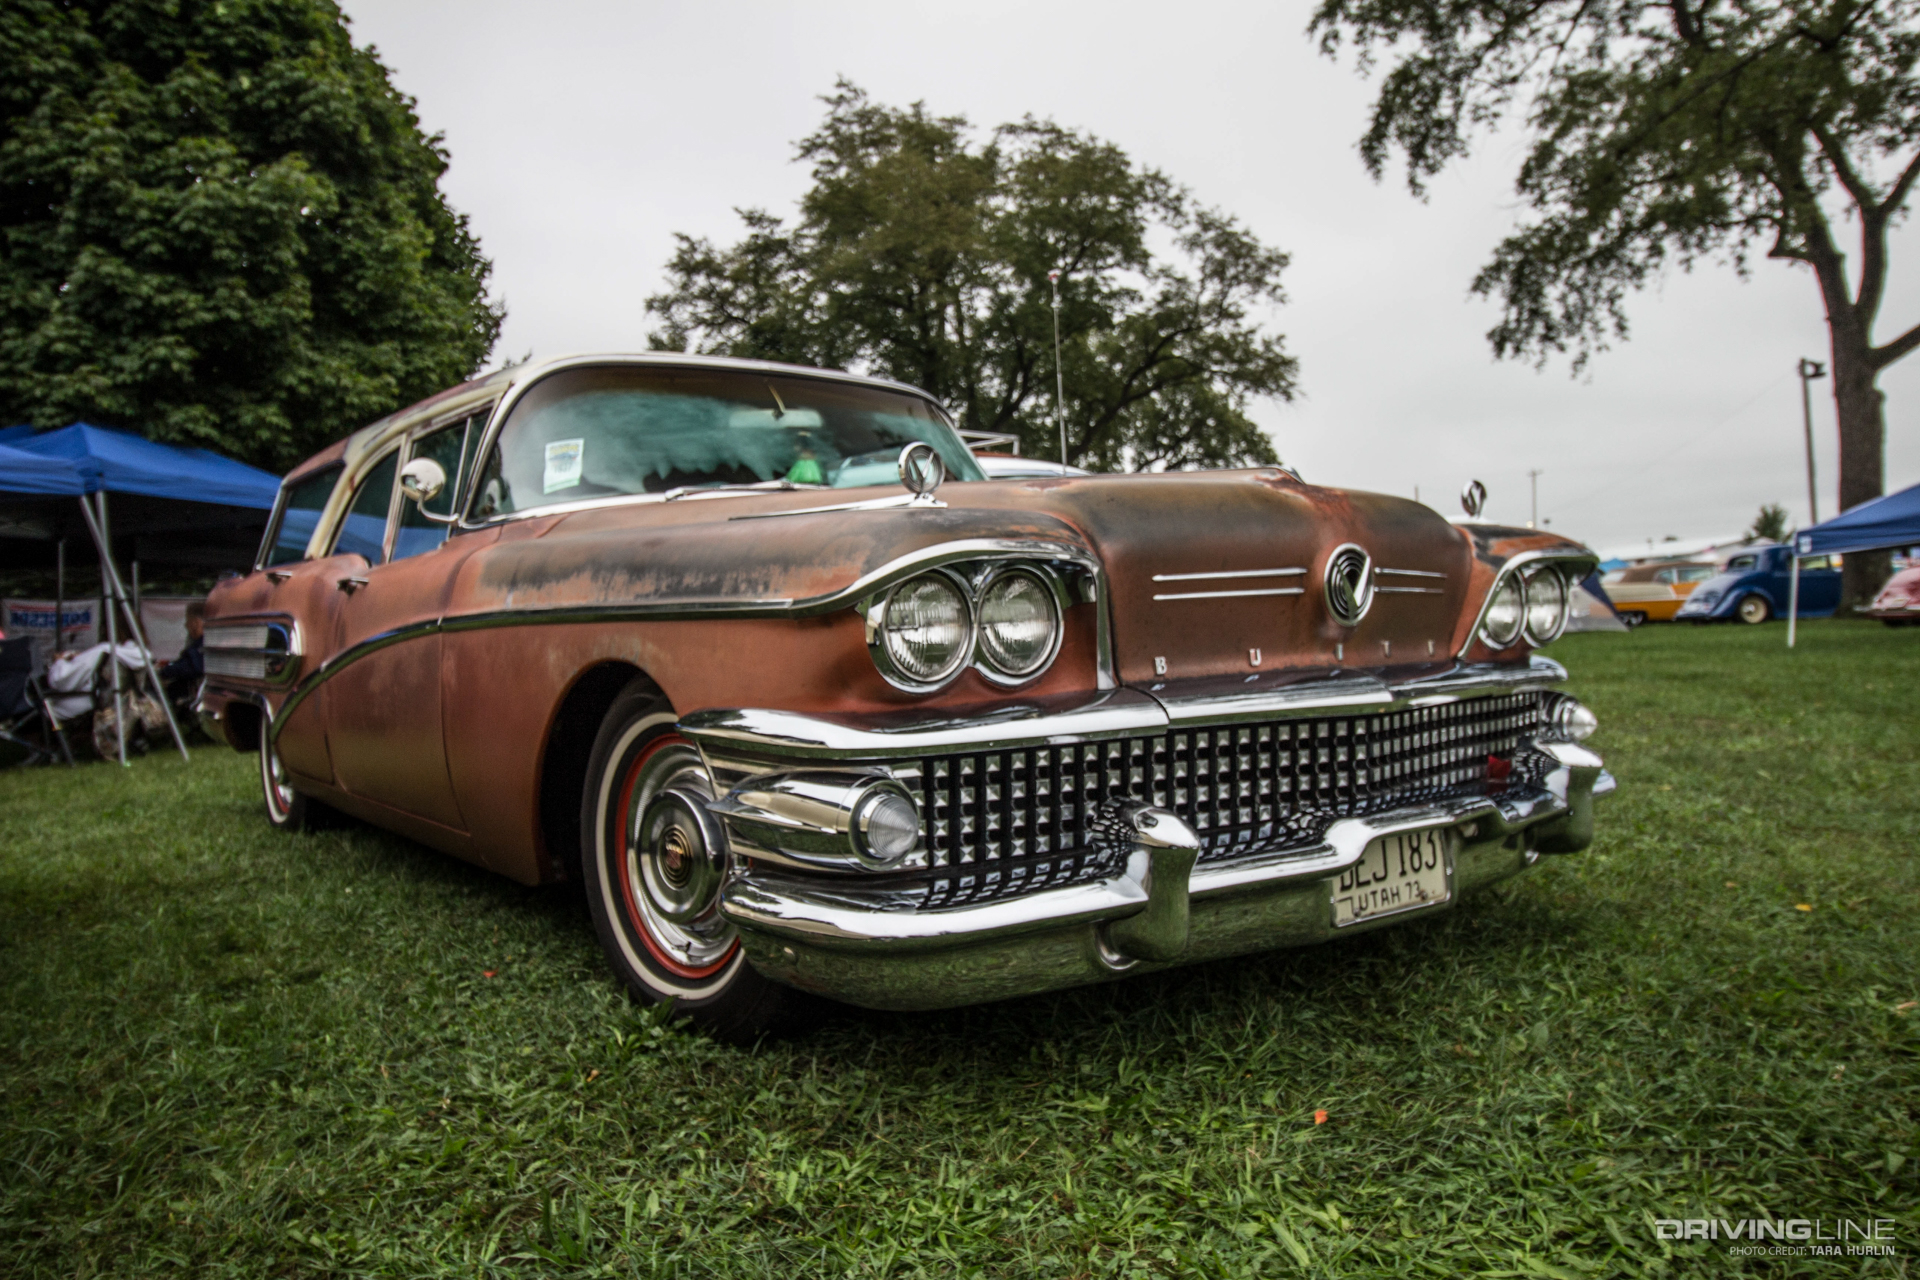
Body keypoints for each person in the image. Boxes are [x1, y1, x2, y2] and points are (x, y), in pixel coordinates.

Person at [161, 602, 204, 706]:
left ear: (196, 622)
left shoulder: (204, 645)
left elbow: (191, 667)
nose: (186, 625)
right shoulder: (198, 644)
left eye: (188, 620)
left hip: (190, 696)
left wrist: (164, 672)